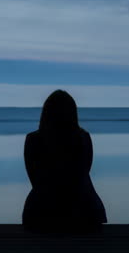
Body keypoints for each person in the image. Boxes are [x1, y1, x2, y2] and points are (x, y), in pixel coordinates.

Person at [22, 89, 108, 231]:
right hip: (86, 212)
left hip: (42, 213)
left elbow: (34, 178)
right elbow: (86, 170)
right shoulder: (83, 137)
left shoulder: (33, 139)